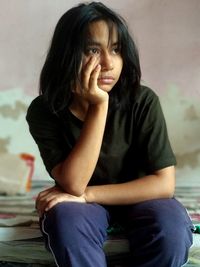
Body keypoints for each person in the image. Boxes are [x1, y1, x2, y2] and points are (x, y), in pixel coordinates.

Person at [26, 2, 194, 267]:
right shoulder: (45, 110)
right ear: (67, 55)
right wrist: (99, 105)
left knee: (170, 228)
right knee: (65, 220)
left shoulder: (142, 101)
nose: (108, 63)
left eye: (115, 49)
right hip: (79, 204)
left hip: (142, 198)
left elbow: (163, 185)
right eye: (93, 50)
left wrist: (88, 196)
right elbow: (73, 185)